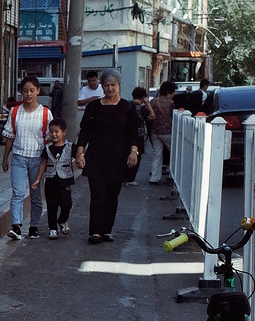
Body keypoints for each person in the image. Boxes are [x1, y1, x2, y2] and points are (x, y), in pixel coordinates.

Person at [76, 69, 144, 243]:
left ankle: (107, 230)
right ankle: (95, 232)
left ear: (119, 86)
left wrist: (134, 151)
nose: (110, 88)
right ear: (102, 86)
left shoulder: (128, 107)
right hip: (96, 159)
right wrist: (79, 152)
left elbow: (134, 133)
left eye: (113, 85)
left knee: (112, 196)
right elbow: (85, 132)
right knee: (98, 195)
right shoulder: (93, 107)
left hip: (118, 159)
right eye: (106, 85)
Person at [2, 74, 54, 240]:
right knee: (17, 193)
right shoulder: (15, 111)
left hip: (38, 160)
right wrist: (5, 158)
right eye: (25, 91)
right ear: (21, 93)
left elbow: (51, 139)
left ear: (38, 91)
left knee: (36, 194)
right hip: (18, 158)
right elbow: (10, 136)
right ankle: (16, 226)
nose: (29, 94)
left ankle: (34, 226)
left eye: (32, 90)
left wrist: (50, 161)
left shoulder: (46, 114)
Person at [43, 117, 81, 239]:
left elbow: (79, 157)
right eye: (51, 132)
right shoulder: (48, 148)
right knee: (51, 205)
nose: (54, 135)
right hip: (50, 181)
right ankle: (52, 228)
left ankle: (62, 220)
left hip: (65, 181)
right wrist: (38, 179)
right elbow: (43, 163)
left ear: (64, 132)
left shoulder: (70, 147)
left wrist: (81, 162)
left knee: (66, 204)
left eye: (57, 132)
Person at [148, 80, 177, 184]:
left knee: (157, 154)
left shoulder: (153, 101)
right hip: (167, 132)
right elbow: (172, 116)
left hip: (155, 132)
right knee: (174, 152)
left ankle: (154, 178)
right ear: (169, 92)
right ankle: (172, 175)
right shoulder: (171, 103)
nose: (174, 95)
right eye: (174, 92)